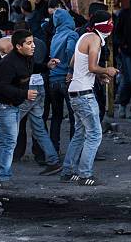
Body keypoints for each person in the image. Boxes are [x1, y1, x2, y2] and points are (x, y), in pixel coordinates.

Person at [0, 29, 61, 188]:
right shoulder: (9, 63)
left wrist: (47, 66)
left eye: (33, 42)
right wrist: (24, 93)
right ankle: (2, 177)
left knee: (3, 139)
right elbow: (1, 86)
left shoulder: (27, 58)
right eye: (29, 43)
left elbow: (33, 68)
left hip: (11, 104)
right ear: (18, 46)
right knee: (8, 141)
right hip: (0, 105)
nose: (33, 46)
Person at [61, 11, 118, 186]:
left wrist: (97, 76)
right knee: (94, 135)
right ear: (102, 24)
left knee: (80, 133)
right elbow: (93, 66)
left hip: (75, 92)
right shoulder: (94, 39)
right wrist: (106, 71)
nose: (111, 25)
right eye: (109, 21)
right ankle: (85, 174)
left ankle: (68, 171)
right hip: (84, 95)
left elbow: (73, 63)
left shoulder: (84, 36)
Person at [48, 9, 79, 154]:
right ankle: (74, 152)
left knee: (56, 116)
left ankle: (53, 149)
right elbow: (71, 52)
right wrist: (71, 71)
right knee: (74, 117)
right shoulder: (72, 34)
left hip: (53, 79)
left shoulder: (55, 35)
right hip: (65, 79)